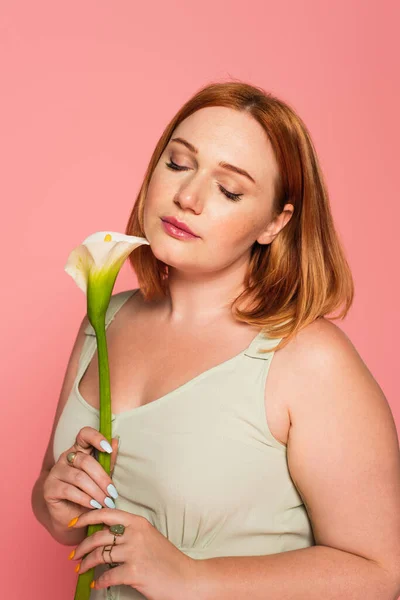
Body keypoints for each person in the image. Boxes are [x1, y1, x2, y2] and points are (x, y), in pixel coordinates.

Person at [31, 81, 400, 600]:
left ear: (275, 222)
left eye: (229, 190)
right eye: (178, 164)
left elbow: (381, 574)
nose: (187, 196)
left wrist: (194, 577)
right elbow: (61, 508)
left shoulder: (309, 360)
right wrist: (57, 503)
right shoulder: (104, 317)